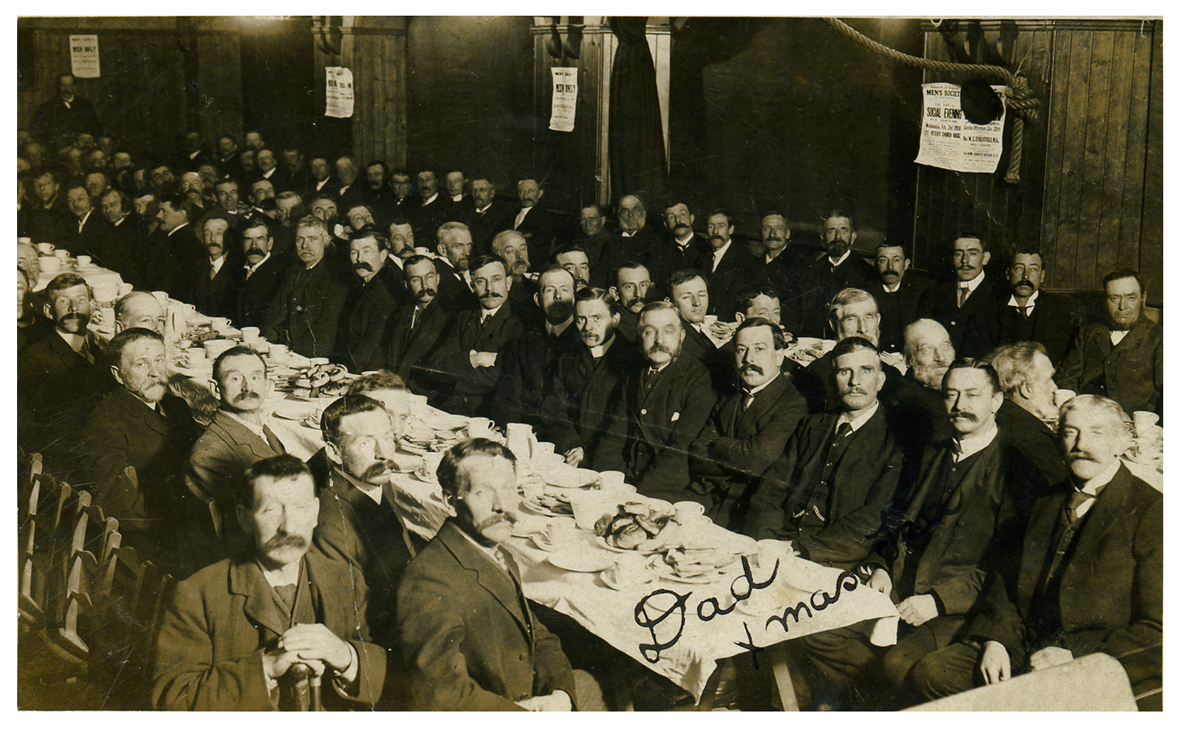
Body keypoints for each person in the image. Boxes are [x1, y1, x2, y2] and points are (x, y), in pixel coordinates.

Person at [798, 359, 1044, 710]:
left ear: (996, 401)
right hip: (902, 585)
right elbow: (899, 520)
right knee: (815, 630)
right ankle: (877, 707)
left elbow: (1009, 568)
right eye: (951, 395)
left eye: (972, 395)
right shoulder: (934, 453)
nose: (959, 405)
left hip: (960, 609)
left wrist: (937, 601)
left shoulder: (1017, 471)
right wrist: (881, 563)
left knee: (898, 667)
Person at [909, 395, 1161, 710]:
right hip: (1024, 644)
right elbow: (1004, 583)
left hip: (1095, 658)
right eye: (1070, 432)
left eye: (1096, 433)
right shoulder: (1046, 501)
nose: (1080, 443)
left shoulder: (1152, 511)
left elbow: (1159, 628)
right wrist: (997, 639)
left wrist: (1076, 656)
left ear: (1122, 441)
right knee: (931, 674)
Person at [153, 455, 387, 710]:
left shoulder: (345, 578)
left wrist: (345, 655)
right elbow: (172, 701)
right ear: (244, 518)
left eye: (300, 508)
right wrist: (266, 667)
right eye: (271, 510)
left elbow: (380, 678)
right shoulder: (196, 594)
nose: (287, 527)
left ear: (316, 513)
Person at [396, 439, 580, 711]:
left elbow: (533, 632)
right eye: (482, 493)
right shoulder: (429, 578)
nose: (501, 505)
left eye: (508, 489)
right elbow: (441, 693)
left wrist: (561, 693)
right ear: (450, 501)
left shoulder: (496, 551)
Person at [744, 336, 904, 566]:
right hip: (778, 542)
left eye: (865, 371)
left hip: (831, 557)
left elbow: (873, 519)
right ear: (833, 380)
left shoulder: (894, 442)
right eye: (844, 372)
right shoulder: (811, 425)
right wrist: (764, 541)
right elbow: (771, 489)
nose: (854, 381)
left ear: (880, 381)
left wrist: (802, 550)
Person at [82, 328, 201, 563]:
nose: (156, 373)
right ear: (118, 375)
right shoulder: (105, 421)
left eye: (159, 360)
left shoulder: (176, 406)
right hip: (154, 537)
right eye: (141, 365)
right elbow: (116, 501)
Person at [314, 393, 418, 651]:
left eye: (386, 438)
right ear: (334, 452)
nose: (383, 453)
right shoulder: (332, 525)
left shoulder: (373, 479)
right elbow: (353, 628)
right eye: (364, 443)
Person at [689, 318, 809, 530]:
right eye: (741, 350)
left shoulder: (794, 404)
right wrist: (738, 456)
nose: (748, 358)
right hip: (707, 498)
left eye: (760, 349)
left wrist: (716, 444)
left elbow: (754, 460)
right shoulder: (731, 393)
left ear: (779, 356)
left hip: (745, 512)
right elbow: (697, 453)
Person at [185, 346, 286, 558]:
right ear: (214, 388)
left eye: (256, 377)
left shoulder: (262, 429)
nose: (248, 387)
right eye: (235, 379)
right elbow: (248, 526)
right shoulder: (209, 453)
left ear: (268, 386)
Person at [622, 301, 716, 503]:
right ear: (640, 336)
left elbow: (679, 452)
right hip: (630, 481)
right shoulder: (634, 375)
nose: (659, 340)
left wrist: (636, 496)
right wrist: (607, 482)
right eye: (649, 332)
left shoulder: (699, 381)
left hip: (670, 489)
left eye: (668, 331)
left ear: (681, 336)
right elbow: (613, 436)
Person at [539, 287, 641, 473]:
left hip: (612, 461)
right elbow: (554, 413)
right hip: (570, 455)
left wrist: (589, 451)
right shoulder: (567, 359)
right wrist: (573, 446)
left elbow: (625, 427)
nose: (588, 327)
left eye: (597, 318)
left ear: (615, 319)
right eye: (581, 319)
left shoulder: (634, 361)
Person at [17, 273, 109, 474]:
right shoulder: (34, 359)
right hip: (67, 461)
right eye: (64, 302)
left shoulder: (99, 349)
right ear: (49, 312)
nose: (74, 308)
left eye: (81, 300)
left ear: (92, 307)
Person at [424, 253, 525, 416]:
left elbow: (504, 375)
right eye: (480, 282)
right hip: (449, 407)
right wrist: (474, 359)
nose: (489, 288)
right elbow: (436, 364)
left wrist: (454, 379)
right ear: (472, 286)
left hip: (489, 413)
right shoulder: (464, 318)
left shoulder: (521, 321)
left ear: (509, 282)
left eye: (496, 279)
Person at [1055, 269, 1162, 415]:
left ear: (1143, 298)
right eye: (1114, 298)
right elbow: (1066, 378)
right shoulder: (1088, 334)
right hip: (1086, 417)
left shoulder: (1159, 337)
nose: (1122, 307)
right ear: (1105, 300)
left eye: (1130, 298)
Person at [489, 266, 582, 427]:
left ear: (574, 298)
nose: (558, 296)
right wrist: (511, 429)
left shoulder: (584, 342)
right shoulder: (522, 342)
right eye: (549, 290)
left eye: (564, 290)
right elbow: (507, 397)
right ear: (537, 299)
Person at [794, 288, 902, 413]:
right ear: (834, 325)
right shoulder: (814, 375)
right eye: (851, 319)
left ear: (877, 320)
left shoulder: (892, 375)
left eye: (868, 317)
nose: (862, 328)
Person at [263, 216, 350, 359]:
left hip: (310, 357)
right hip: (284, 352)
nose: (305, 246)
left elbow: (325, 331)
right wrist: (270, 345)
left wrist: (292, 356)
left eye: (312, 239)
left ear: (326, 241)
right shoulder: (293, 271)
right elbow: (274, 311)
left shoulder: (335, 278)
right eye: (300, 239)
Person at [987, 341, 1070, 486]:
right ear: (1026, 389)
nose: (1055, 387)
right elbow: (1061, 488)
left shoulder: (1000, 417)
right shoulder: (1032, 437)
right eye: (1049, 379)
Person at [916, 232, 1003, 360]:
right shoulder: (933, 295)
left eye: (972, 253)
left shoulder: (999, 296)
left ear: (985, 258)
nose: (965, 260)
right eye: (958, 253)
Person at [795, 210, 877, 338]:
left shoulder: (866, 272)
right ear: (823, 237)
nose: (838, 236)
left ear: (853, 236)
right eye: (831, 231)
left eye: (844, 230)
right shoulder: (811, 271)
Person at [996, 248, 1081, 366]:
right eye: (1019, 268)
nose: (1025, 276)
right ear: (1008, 274)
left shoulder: (1060, 310)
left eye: (1034, 269)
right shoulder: (989, 310)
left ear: (1042, 276)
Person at [387, 254, 455, 398]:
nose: (425, 285)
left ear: (438, 278)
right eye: (416, 279)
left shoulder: (451, 316)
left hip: (426, 396)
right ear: (406, 284)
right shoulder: (400, 314)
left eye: (429, 276)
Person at [337, 227, 401, 372]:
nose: (360, 259)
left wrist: (344, 369)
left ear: (383, 255)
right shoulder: (366, 284)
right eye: (354, 252)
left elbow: (372, 344)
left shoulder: (387, 291)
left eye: (367, 251)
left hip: (372, 373)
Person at [874, 242, 930, 354]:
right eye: (883, 260)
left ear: (906, 264)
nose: (890, 267)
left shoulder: (923, 291)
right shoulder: (867, 291)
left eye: (896, 260)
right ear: (876, 265)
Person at [234, 215, 289, 329]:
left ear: (270, 243)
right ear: (242, 243)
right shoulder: (238, 270)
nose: (254, 246)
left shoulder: (280, 273)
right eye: (248, 239)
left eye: (260, 239)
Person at [701, 209, 756, 319]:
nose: (715, 232)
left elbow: (737, 296)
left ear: (730, 229)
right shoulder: (703, 258)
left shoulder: (744, 256)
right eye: (711, 226)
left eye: (721, 226)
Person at [30, 72, 102, 150]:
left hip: (86, 143)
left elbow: (95, 126)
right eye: (63, 85)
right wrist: (74, 140)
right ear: (58, 86)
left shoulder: (85, 104)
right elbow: (48, 133)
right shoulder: (48, 106)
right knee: (75, 155)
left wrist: (89, 136)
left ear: (75, 87)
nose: (67, 89)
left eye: (70, 85)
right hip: (63, 147)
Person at [187, 214, 238, 318]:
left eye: (219, 234)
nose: (212, 239)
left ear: (229, 237)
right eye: (207, 234)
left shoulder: (238, 268)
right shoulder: (196, 265)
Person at [513, 177, 560, 267]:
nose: (526, 196)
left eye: (531, 191)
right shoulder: (510, 214)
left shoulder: (546, 217)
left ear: (540, 193)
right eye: (521, 191)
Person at [432, 221, 479, 311]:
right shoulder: (440, 274)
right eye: (458, 246)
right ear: (442, 250)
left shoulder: (453, 270)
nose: (466, 252)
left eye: (469, 245)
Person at [465, 176, 514, 253]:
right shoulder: (464, 214)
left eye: (482, 190)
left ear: (492, 193)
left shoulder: (502, 217)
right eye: (474, 190)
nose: (477, 194)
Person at [662, 198, 711, 274]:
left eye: (683, 214)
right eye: (671, 217)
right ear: (665, 224)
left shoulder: (708, 247)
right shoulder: (660, 251)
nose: (678, 220)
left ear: (692, 218)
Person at [608, 261, 651, 342]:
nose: (638, 294)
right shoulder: (614, 328)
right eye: (629, 287)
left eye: (643, 285)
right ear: (615, 293)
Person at [576, 202, 613, 268]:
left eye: (592, 219)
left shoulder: (610, 243)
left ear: (603, 220)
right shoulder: (579, 240)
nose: (587, 224)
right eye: (584, 219)